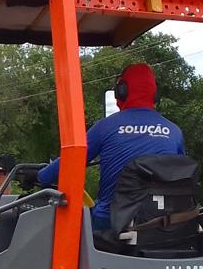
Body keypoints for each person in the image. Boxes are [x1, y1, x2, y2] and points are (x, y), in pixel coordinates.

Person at [33, 63, 185, 232]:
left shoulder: (106, 127)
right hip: (161, 226)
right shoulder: (174, 132)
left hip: (111, 227)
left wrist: (40, 175)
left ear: (122, 91)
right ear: (154, 94)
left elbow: (68, 163)